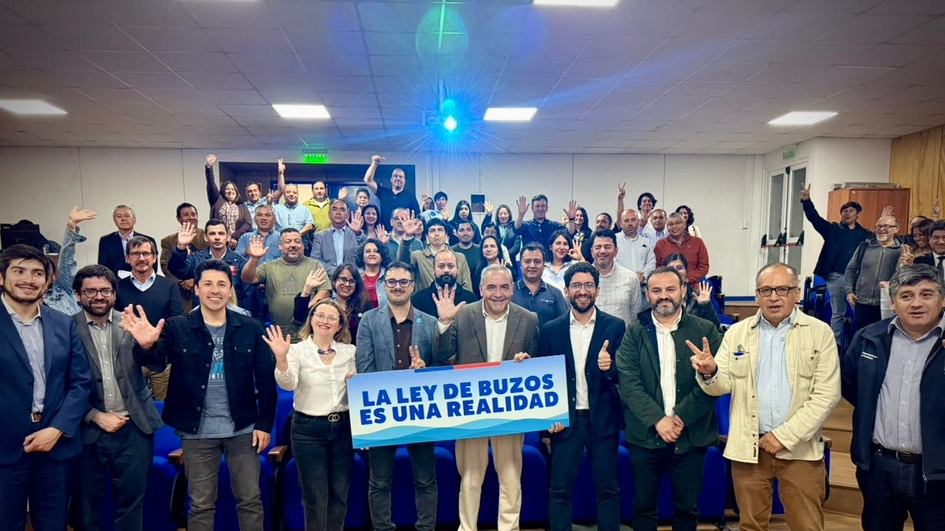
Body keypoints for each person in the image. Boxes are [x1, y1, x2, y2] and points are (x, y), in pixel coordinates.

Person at [122, 259, 277, 531]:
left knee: (250, 500)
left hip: (243, 429)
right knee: (201, 503)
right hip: (196, 432)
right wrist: (145, 345)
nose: (215, 290)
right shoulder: (177, 326)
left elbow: (265, 381)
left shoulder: (250, 327)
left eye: (222, 284)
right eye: (208, 284)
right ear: (196, 289)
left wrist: (264, 425)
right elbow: (156, 363)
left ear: (230, 290)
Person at [690, 262, 840, 531]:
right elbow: (720, 386)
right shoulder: (737, 333)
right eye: (766, 290)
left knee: (807, 526)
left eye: (783, 289)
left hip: (799, 449)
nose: (774, 297)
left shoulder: (819, 332)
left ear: (796, 293)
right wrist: (710, 371)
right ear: (757, 295)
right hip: (749, 448)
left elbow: (826, 395)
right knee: (750, 526)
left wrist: (783, 436)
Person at [435, 264, 540, 531]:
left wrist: (527, 362)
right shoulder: (462, 315)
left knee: (511, 477)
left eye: (504, 287)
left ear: (512, 289)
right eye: (491, 287)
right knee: (470, 478)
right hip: (472, 411)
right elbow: (442, 356)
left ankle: (509, 528)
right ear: (481, 289)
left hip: (510, 412)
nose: (498, 293)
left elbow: (537, 364)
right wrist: (444, 322)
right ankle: (467, 528)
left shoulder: (529, 319)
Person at [842, 264, 945, 531]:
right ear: (893, 302)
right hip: (880, 468)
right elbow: (851, 385)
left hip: (937, 474)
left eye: (926, 294)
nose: (916, 303)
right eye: (906, 296)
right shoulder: (869, 337)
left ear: (943, 299)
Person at [618, 266, 721, 531]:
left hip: (691, 436)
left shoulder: (705, 329)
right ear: (647, 295)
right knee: (643, 508)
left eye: (670, 289)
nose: (664, 295)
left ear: (683, 291)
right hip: (645, 436)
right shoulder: (634, 332)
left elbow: (717, 381)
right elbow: (628, 383)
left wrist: (680, 417)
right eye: (657, 290)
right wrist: (658, 420)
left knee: (687, 510)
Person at [0, 244, 91, 531]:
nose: (29, 279)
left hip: (56, 445)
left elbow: (80, 381)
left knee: (54, 524)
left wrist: (58, 429)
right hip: (5, 446)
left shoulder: (63, 324)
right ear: (2, 277)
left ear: (48, 281)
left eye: (38, 273)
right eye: (19, 271)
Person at [71, 264, 163, 531]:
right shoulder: (65, 327)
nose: (99, 296)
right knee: (86, 508)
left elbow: (157, 365)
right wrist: (93, 415)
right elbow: (60, 383)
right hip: (86, 430)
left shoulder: (131, 323)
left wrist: (148, 346)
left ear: (114, 293)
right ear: (78, 294)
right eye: (91, 291)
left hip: (134, 427)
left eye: (105, 290)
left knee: (132, 505)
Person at [540, 262, 626, 531]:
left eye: (589, 285)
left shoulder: (616, 326)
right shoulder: (550, 330)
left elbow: (625, 375)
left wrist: (609, 367)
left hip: (604, 420)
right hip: (566, 422)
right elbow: (544, 378)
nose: (583, 291)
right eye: (576, 285)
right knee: (559, 490)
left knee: (608, 489)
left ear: (598, 290)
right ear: (566, 290)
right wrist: (549, 418)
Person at [355, 262, 438, 531]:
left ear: (413, 286)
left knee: (425, 479)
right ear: (384, 285)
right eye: (392, 282)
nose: (398, 287)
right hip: (382, 411)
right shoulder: (368, 321)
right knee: (379, 481)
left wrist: (424, 370)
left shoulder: (430, 322)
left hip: (420, 412)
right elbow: (364, 370)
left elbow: (440, 370)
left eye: (404, 282)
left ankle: (426, 528)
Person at [266, 299, 356, 531]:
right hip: (308, 431)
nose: (325, 321)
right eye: (320, 315)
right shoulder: (297, 351)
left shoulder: (350, 352)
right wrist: (281, 359)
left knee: (340, 494)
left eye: (332, 317)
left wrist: (355, 382)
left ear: (339, 325)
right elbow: (288, 384)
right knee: (315, 497)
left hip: (344, 429)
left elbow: (363, 390)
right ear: (311, 319)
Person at [800, 184, 874, 346]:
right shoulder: (832, 229)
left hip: (857, 279)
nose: (847, 213)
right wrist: (806, 201)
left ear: (858, 214)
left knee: (859, 313)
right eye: (844, 211)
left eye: (851, 210)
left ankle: (859, 344)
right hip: (836, 277)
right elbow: (814, 218)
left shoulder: (866, 235)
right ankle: (836, 345)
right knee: (837, 313)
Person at [116, 236, 182, 401]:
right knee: (132, 405)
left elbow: (177, 321)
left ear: (154, 258)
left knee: (163, 406)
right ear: (127, 258)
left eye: (146, 253)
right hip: (129, 360)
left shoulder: (169, 286)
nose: (141, 258)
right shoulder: (117, 288)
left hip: (162, 360)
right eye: (135, 254)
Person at [241, 229, 332, 340]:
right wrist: (254, 258)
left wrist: (303, 310)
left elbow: (324, 292)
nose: (293, 245)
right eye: (288, 241)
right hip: (278, 333)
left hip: (308, 331)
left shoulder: (315, 265)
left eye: (297, 241)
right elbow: (247, 278)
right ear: (280, 246)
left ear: (303, 246)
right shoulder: (269, 266)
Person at [169, 219, 251, 309]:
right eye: (212, 234)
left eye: (221, 233)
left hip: (232, 314)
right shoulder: (196, 258)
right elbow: (177, 269)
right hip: (202, 313)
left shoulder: (240, 262)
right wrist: (181, 247)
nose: (217, 237)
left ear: (228, 237)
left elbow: (248, 296)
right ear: (205, 237)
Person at [844, 215, 902, 332]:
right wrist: (849, 290)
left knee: (883, 334)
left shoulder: (902, 251)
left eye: (886, 226)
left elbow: (903, 276)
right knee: (861, 334)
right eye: (878, 226)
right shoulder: (864, 246)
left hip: (887, 303)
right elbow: (851, 269)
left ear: (896, 229)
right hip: (862, 301)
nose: (881, 229)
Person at [43, 206, 97, 316]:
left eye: (43, 273)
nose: (39, 278)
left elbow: (66, 261)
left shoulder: (63, 289)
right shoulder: (20, 298)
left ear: (53, 277)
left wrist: (71, 226)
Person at [646, 254, 722, 331]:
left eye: (680, 268)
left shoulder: (697, 296)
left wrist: (705, 305)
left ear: (686, 271)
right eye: (671, 268)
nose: (676, 271)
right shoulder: (657, 296)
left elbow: (714, 328)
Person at [294, 265, 367, 344]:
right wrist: (307, 288)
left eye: (352, 281)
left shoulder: (363, 307)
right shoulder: (324, 305)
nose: (347, 284)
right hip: (322, 350)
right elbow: (300, 317)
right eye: (343, 279)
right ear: (334, 282)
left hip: (352, 350)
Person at [399, 217, 474, 291]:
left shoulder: (459, 257)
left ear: (446, 234)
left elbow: (467, 287)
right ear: (427, 236)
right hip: (425, 298)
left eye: (440, 230)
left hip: (456, 298)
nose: (437, 234)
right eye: (432, 231)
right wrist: (407, 238)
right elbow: (402, 264)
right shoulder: (418, 257)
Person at [160, 203, 209, 312]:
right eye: (186, 215)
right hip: (180, 291)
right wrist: (182, 281)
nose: (191, 217)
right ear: (178, 218)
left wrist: (195, 280)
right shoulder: (168, 241)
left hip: (205, 289)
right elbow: (165, 266)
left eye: (193, 214)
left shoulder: (207, 237)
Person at [589, 229, 642, 326]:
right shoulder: (583, 279)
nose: (602, 251)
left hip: (623, 335)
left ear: (616, 251)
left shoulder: (630, 278)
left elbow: (635, 315)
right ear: (592, 251)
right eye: (598, 247)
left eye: (607, 247)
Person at [512, 242, 569, 328]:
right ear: (520, 264)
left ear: (544, 265)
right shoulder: (510, 292)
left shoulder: (556, 294)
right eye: (527, 261)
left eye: (537, 261)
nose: (532, 265)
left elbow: (563, 325)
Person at [411, 249, 478, 319]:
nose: (446, 270)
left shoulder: (470, 298)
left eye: (451, 266)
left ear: (458, 270)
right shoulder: (419, 299)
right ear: (433, 270)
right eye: (441, 266)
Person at [204, 154, 251, 247]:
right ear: (223, 190)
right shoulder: (217, 200)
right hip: (218, 240)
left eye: (233, 189)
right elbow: (211, 184)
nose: (230, 191)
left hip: (236, 242)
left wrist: (234, 236)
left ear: (236, 192)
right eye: (227, 189)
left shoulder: (241, 205)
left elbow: (248, 223)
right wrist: (209, 167)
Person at [362, 154, 420, 229]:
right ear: (391, 179)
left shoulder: (410, 197)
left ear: (404, 181)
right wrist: (374, 163)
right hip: (385, 234)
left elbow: (418, 217)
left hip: (404, 233)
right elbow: (367, 180)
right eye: (395, 176)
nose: (398, 178)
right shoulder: (383, 192)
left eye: (401, 177)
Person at [654, 212, 710, 290]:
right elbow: (657, 268)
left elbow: (704, 266)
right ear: (667, 227)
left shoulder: (697, 242)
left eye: (677, 223)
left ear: (684, 225)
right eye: (670, 224)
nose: (674, 226)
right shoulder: (660, 244)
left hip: (693, 286)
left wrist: (688, 278)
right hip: (668, 286)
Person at [97, 205, 156, 278]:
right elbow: (103, 267)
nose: (123, 219)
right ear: (114, 221)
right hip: (115, 281)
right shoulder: (106, 241)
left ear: (134, 220)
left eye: (127, 216)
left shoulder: (148, 240)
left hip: (143, 280)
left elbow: (153, 266)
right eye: (119, 216)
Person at [310, 200, 365, 276]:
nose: (338, 212)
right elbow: (315, 260)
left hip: (352, 278)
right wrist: (338, 272)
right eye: (334, 209)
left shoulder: (355, 234)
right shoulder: (319, 236)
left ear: (348, 215)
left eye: (342, 209)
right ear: (329, 214)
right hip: (327, 279)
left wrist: (358, 233)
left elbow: (366, 253)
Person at [614, 208, 656, 283]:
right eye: (626, 220)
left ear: (638, 222)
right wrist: (630, 277)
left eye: (633, 220)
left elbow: (651, 262)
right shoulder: (613, 240)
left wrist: (643, 276)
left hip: (642, 285)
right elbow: (612, 262)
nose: (630, 223)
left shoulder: (646, 242)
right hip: (620, 283)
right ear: (621, 224)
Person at [242, 159, 285, 229]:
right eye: (250, 191)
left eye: (255, 190)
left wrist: (280, 173)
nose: (253, 193)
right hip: (252, 234)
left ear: (259, 192)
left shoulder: (267, 200)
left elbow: (280, 190)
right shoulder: (243, 207)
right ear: (246, 194)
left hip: (269, 233)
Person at [483, 202, 522, 271]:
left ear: (509, 215)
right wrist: (488, 215)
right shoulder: (494, 228)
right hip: (493, 260)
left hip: (510, 261)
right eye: (500, 214)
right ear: (497, 216)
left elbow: (516, 247)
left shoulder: (515, 227)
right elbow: (484, 228)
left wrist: (504, 254)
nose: (503, 216)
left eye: (505, 213)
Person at [356, 238, 390, 309]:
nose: (372, 254)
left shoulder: (390, 275)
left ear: (382, 256)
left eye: (376, 251)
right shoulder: (355, 275)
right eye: (368, 251)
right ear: (362, 256)